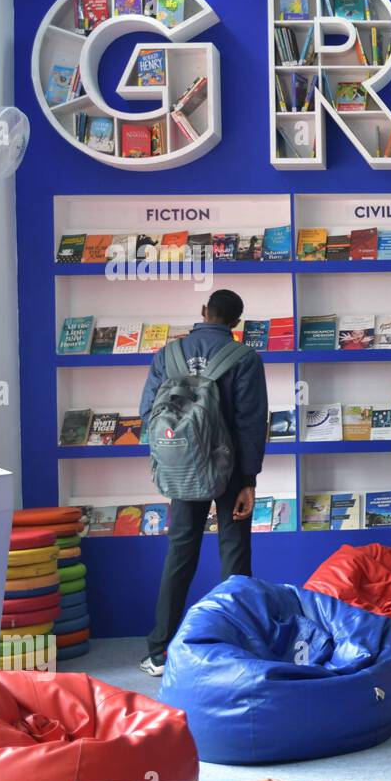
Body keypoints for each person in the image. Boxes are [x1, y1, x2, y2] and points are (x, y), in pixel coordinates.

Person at [137, 290, 268, 676]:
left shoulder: (167, 355)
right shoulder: (245, 358)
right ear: (236, 322)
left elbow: (149, 412)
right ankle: (235, 645)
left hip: (182, 469)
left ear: (203, 312)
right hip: (228, 471)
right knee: (235, 554)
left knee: (179, 555)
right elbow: (250, 424)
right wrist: (248, 480)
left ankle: (159, 652)